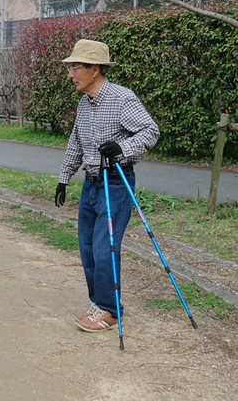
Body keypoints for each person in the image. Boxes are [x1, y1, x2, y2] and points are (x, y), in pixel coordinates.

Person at [54, 39, 159, 333]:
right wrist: (65, 177)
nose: (71, 74)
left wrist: (123, 148)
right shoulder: (84, 104)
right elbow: (76, 141)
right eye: (71, 67)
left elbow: (151, 131)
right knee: (87, 248)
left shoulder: (122, 99)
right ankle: (98, 304)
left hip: (116, 183)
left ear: (95, 68)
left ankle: (111, 312)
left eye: (75, 67)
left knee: (104, 249)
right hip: (91, 183)